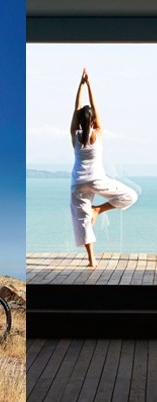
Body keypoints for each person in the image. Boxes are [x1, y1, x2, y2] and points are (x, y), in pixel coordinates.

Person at [70, 68, 138, 268]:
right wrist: (89, 84)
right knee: (131, 195)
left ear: (79, 120)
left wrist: (80, 85)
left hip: (78, 182)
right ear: (92, 120)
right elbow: (94, 108)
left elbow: (76, 109)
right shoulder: (98, 134)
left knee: (83, 220)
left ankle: (92, 261)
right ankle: (98, 210)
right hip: (97, 179)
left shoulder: (75, 135)